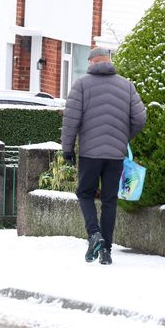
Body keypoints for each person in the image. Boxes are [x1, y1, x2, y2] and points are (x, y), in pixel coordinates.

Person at [61, 47, 146, 265]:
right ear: (108, 61)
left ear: (91, 62)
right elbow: (140, 118)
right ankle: (106, 251)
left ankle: (94, 234)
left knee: (85, 193)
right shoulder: (126, 86)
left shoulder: (81, 85)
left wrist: (68, 149)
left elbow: (71, 121)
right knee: (110, 200)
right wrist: (123, 137)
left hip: (90, 154)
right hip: (116, 155)